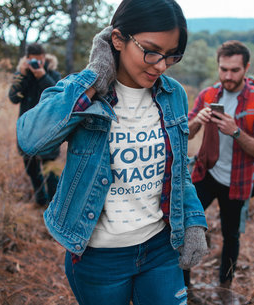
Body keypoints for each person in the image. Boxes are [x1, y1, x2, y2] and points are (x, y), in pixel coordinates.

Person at [16, 0, 209, 304]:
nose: (160, 65)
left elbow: (178, 168)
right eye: (151, 50)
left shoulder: (174, 95)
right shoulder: (83, 93)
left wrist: (194, 219)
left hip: (160, 247)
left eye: (171, 55)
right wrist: (94, 80)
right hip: (100, 257)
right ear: (118, 39)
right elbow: (32, 139)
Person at [186, 41, 254, 304]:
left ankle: (224, 289)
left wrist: (235, 132)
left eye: (235, 70)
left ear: (246, 68)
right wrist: (197, 121)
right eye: (223, 69)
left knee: (231, 235)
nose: (227, 76)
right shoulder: (208, 95)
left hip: (238, 180)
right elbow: (184, 133)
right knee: (187, 227)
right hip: (205, 173)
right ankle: (184, 287)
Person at [9, 43, 61, 206]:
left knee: (50, 168)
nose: (37, 64)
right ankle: (40, 199)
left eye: (40, 60)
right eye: (33, 61)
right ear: (27, 59)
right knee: (31, 166)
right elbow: (13, 97)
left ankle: (53, 203)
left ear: (44, 58)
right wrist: (23, 75)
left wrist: (42, 76)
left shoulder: (53, 74)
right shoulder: (22, 75)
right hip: (28, 128)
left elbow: (59, 97)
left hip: (49, 128)